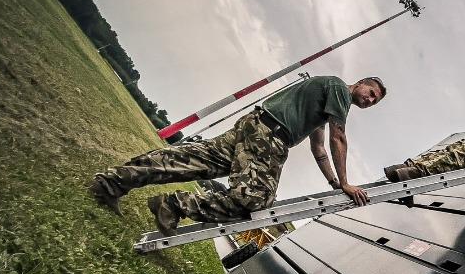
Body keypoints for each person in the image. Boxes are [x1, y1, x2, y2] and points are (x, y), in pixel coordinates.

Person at [89, 75, 386, 234]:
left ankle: (112, 182)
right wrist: (348, 183)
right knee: (255, 201)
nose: (370, 100)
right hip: (268, 136)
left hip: (254, 126)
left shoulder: (323, 102)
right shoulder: (338, 90)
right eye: (370, 92)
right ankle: (174, 205)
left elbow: (319, 149)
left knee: (193, 160)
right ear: (358, 83)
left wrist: (335, 183)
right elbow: (338, 137)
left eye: (374, 100)